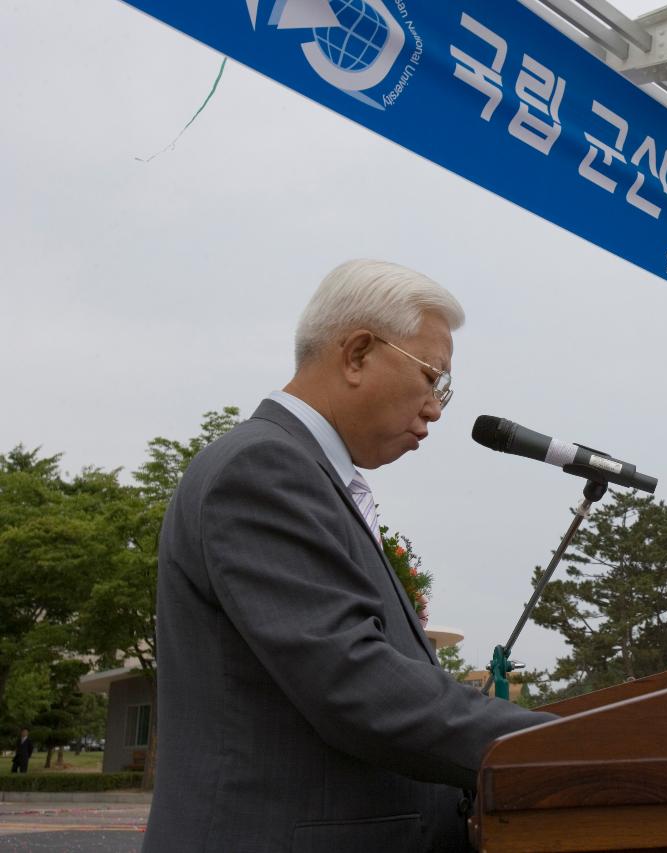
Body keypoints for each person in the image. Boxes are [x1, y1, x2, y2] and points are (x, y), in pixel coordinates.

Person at [143, 260, 557, 852]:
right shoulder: (262, 469)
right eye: (432, 378)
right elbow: (357, 684)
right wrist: (568, 747)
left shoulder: (301, 471)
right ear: (358, 352)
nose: (437, 408)